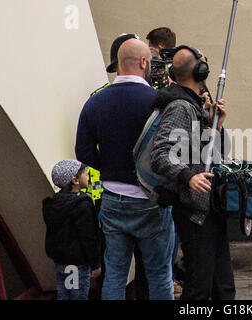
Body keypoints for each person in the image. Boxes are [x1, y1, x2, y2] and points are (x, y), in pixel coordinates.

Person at [75, 38, 175, 300]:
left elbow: (83, 152)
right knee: (159, 275)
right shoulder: (159, 102)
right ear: (144, 62)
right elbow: (174, 152)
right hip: (152, 200)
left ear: (118, 64)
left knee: (115, 274)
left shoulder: (95, 102)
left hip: (112, 200)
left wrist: (109, 166)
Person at [150, 45, 236, 300]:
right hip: (194, 213)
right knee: (199, 288)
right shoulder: (180, 107)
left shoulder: (195, 106)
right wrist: (188, 177)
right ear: (200, 69)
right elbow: (160, 154)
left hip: (210, 207)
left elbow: (210, 153)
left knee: (223, 288)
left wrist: (215, 126)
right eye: (203, 61)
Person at [43, 159, 101, 300]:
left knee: (63, 292)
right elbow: (88, 237)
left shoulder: (54, 203)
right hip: (77, 262)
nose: (87, 177)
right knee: (78, 294)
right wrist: (95, 263)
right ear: (75, 180)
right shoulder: (82, 205)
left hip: (60, 260)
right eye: (84, 174)